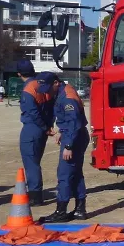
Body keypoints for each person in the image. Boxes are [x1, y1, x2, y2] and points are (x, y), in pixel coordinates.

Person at [35, 71, 89, 222]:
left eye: (47, 87)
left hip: (74, 137)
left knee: (64, 175)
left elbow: (74, 123)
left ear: (56, 83)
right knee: (76, 173)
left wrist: (69, 145)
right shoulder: (63, 92)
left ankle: (61, 211)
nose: (46, 92)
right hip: (74, 134)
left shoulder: (67, 98)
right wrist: (61, 131)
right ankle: (80, 209)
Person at [16, 60, 54, 206]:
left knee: (31, 163)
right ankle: (36, 192)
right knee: (35, 161)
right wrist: (48, 127)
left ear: (19, 74)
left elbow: (32, 112)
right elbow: (50, 108)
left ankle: (35, 196)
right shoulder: (42, 84)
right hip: (43, 128)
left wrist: (43, 127)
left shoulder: (28, 89)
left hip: (32, 127)